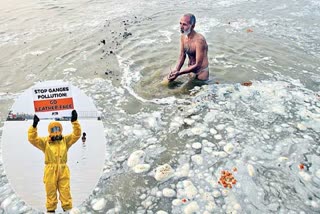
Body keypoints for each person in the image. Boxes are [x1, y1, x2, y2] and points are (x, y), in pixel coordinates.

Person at [28, 110, 81, 213]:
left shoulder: (65, 140)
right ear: (49, 130)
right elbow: (32, 139)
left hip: (63, 170)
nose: (56, 130)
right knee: (50, 192)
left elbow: (76, 135)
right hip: (50, 170)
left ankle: (68, 209)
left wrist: (75, 122)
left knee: (65, 191)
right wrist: (34, 126)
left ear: (61, 129)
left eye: (58, 128)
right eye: (53, 129)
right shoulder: (45, 142)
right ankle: (51, 210)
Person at [167, 13, 209, 81]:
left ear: (193, 26)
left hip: (201, 73)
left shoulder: (199, 41)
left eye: (184, 24)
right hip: (190, 71)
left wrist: (179, 73)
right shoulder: (183, 37)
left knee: (187, 91)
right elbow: (182, 56)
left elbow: (198, 65)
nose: (181, 27)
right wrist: (175, 71)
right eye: (180, 23)